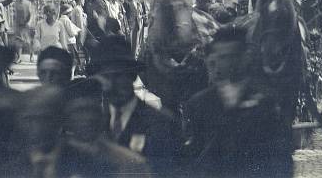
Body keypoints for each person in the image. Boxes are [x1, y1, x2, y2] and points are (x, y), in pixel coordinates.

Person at [183, 26, 294, 177]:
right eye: (220, 57)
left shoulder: (266, 102)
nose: (224, 63)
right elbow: (190, 157)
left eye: (229, 56)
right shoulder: (199, 104)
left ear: (244, 57)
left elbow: (281, 160)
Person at [92, 35, 182, 177]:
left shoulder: (161, 122)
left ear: (133, 76)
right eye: (107, 77)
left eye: (120, 75)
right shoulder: (92, 126)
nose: (113, 84)